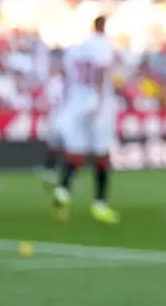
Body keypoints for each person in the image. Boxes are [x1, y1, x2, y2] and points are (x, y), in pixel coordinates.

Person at [52, 16, 120, 224]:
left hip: (75, 102)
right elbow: (100, 70)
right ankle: (99, 204)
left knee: (76, 153)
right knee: (102, 155)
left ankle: (62, 192)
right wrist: (98, 99)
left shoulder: (74, 50)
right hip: (95, 103)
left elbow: (65, 74)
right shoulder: (102, 46)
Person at [39, 51, 66, 186]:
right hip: (60, 117)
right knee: (60, 147)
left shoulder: (53, 83)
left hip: (55, 117)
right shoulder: (61, 83)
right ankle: (51, 169)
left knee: (57, 146)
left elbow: (47, 102)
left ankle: (51, 169)